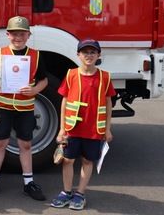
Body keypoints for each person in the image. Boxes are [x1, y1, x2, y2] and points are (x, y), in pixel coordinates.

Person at [0, 16, 48, 201]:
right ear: (8, 35)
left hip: (25, 108)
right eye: (14, 33)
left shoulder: (36, 55)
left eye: (22, 34)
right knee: (0, 142)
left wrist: (34, 90)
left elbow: (44, 80)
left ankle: (28, 182)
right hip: (3, 106)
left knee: (25, 144)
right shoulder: (0, 54)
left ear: (28, 35)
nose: (18, 37)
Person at [50, 39, 114, 210]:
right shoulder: (71, 74)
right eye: (85, 52)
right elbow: (64, 102)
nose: (89, 55)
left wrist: (107, 129)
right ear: (78, 55)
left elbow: (108, 104)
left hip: (94, 130)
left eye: (93, 52)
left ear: (98, 55)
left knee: (87, 161)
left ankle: (80, 193)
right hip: (72, 128)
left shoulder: (105, 77)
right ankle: (66, 192)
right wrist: (62, 128)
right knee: (68, 160)